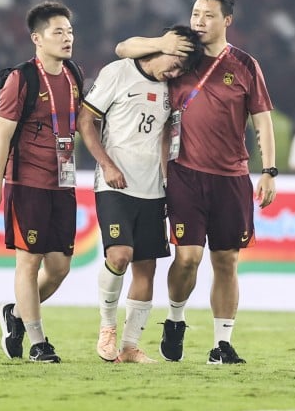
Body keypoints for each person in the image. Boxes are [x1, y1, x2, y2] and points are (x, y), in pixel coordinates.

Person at [116, 0, 277, 364]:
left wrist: (269, 171)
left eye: (207, 15)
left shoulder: (245, 66)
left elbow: (263, 120)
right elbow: (123, 48)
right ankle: (175, 319)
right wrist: (161, 41)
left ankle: (222, 344)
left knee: (226, 261)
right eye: (195, 13)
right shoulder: (179, 56)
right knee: (187, 258)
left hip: (232, 177)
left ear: (227, 21)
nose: (199, 21)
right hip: (185, 173)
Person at [78, 25, 204, 363]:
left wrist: (166, 174)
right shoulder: (118, 72)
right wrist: (106, 164)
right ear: (163, 47)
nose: (174, 74)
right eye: (175, 64)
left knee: (145, 269)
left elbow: (165, 133)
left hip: (152, 189)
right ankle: (107, 329)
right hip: (115, 183)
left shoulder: (170, 88)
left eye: (181, 71)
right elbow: (85, 120)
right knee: (119, 255)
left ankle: (131, 346)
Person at [0, 1, 82, 364]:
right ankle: (39, 343)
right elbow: (1, 137)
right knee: (29, 262)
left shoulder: (73, 75)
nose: (67, 38)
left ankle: (15, 315)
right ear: (37, 38)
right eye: (59, 32)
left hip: (63, 184)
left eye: (69, 32)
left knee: (60, 268)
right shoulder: (20, 79)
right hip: (26, 183)